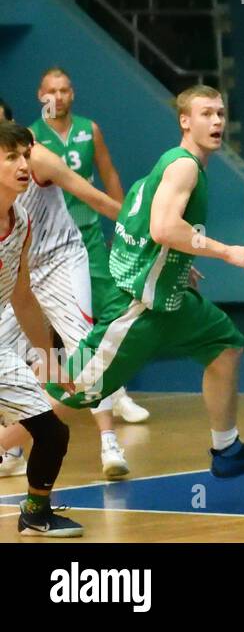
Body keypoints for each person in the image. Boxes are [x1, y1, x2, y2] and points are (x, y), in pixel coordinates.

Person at [45, 86, 244, 479]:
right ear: (185, 121)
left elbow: (135, 222)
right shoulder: (184, 166)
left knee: (226, 346)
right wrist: (226, 251)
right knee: (71, 391)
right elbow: (162, 228)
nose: (217, 122)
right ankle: (8, 442)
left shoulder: (172, 165)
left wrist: (176, 263)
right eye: (206, 114)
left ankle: (227, 449)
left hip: (171, 298)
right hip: (139, 306)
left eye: (221, 114)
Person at [0, 100, 128, 478]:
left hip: (58, 261)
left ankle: (109, 442)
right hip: (19, 270)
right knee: (18, 361)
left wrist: (152, 235)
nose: (21, 163)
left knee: (82, 351)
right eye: (12, 157)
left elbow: (95, 197)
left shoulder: (39, 163)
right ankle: (13, 450)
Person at [30, 68, 149, 424]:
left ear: (73, 94)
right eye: (52, 91)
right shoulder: (32, 140)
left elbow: (109, 174)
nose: (59, 97)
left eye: (65, 90)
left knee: (111, 312)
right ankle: (37, 410)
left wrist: (127, 227)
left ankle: (118, 392)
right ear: (40, 95)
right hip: (46, 247)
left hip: (89, 236)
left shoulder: (88, 129)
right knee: (51, 328)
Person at [0, 120, 83, 537]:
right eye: (10, 156)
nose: (22, 165)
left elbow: (22, 296)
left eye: (25, 156)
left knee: (52, 432)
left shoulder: (23, 220)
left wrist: (49, 359)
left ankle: (35, 511)